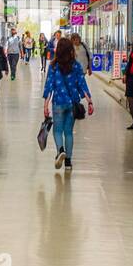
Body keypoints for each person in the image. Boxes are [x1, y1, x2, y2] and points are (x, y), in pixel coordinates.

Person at [43, 37, 93, 170]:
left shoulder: (53, 66)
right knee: (69, 132)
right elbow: (82, 84)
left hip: (58, 102)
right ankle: (68, 162)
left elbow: (49, 86)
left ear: (58, 50)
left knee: (57, 130)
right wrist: (89, 101)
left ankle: (60, 151)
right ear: (71, 50)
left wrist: (45, 104)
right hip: (72, 103)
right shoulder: (76, 65)